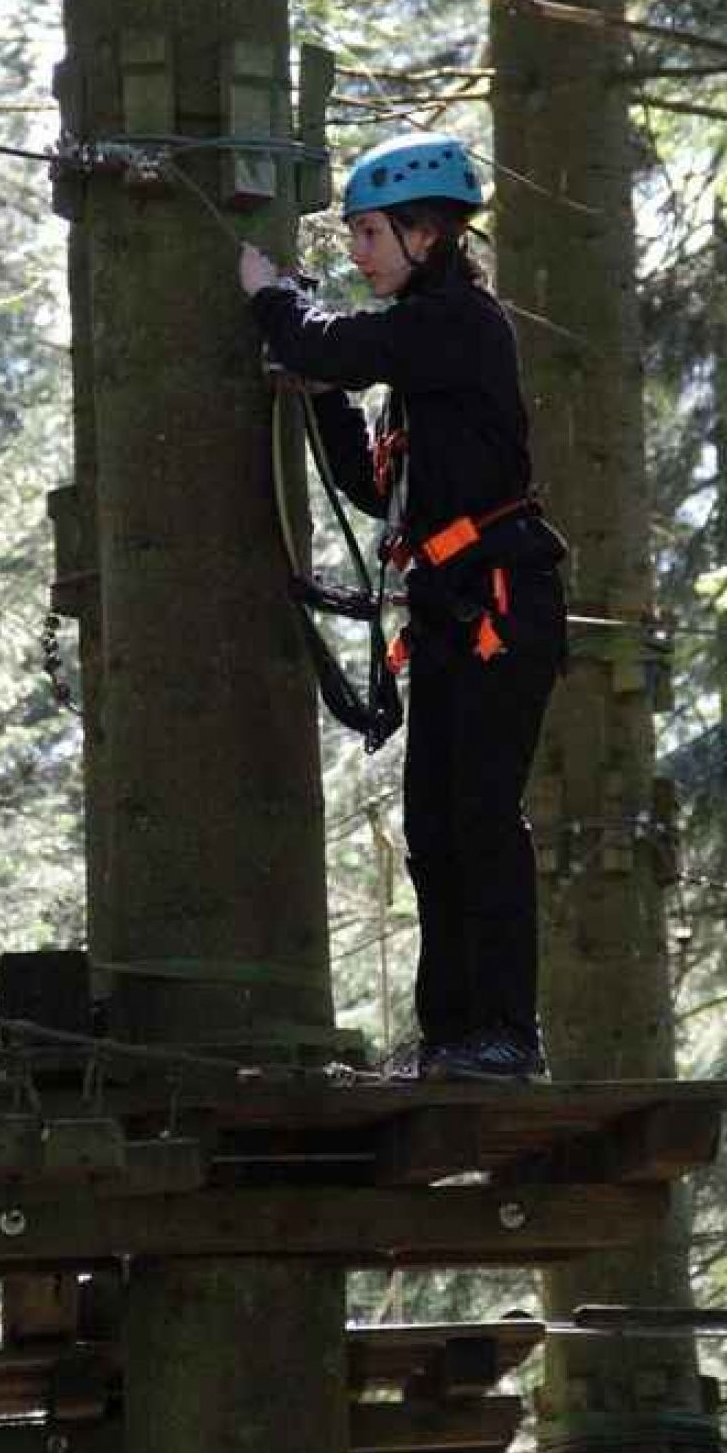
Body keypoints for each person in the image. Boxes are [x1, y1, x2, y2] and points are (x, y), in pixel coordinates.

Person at [239, 131, 566, 1081]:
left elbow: (335, 342)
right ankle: (455, 1034)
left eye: (370, 234)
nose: (358, 253)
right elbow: (376, 487)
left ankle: (508, 1032)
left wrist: (269, 296)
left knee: (481, 816)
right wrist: (324, 397)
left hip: (503, 600)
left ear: (427, 234)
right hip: (452, 610)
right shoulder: (421, 365)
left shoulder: (459, 322)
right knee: (434, 825)